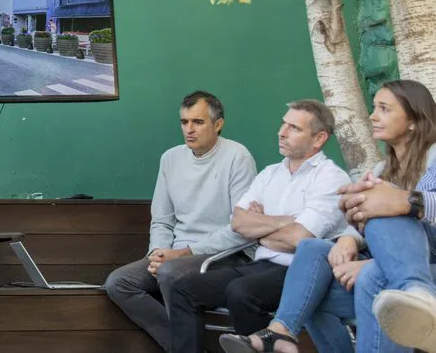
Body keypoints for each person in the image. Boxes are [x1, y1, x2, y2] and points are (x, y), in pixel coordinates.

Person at [217, 79, 436, 353]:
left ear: (414, 120)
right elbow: (370, 227)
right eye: (374, 107)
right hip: (390, 264)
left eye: (384, 109)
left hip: (426, 269)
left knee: (372, 269)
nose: (373, 115)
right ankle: (281, 332)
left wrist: (405, 201)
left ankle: (418, 292)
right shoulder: (381, 170)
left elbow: (404, 217)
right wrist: (348, 239)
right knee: (312, 263)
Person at [167, 99, 350, 353]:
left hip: (299, 272)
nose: (281, 132)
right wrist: (286, 221)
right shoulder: (270, 174)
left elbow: (300, 239)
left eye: (294, 128)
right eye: (283, 124)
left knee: (241, 293)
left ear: (319, 139)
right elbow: (239, 222)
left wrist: (262, 230)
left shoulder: (331, 178)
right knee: (183, 290)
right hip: (260, 264)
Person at [104, 91, 257, 352]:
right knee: (119, 283)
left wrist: (183, 253)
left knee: (170, 272)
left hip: (226, 255)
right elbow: (162, 221)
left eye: (198, 122)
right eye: (184, 122)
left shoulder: (237, 157)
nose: (189, 129)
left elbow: (240, 229)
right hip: (176, 253)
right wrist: (157, 253)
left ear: (217, 125)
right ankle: (188, 347)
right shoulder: (170, 158)